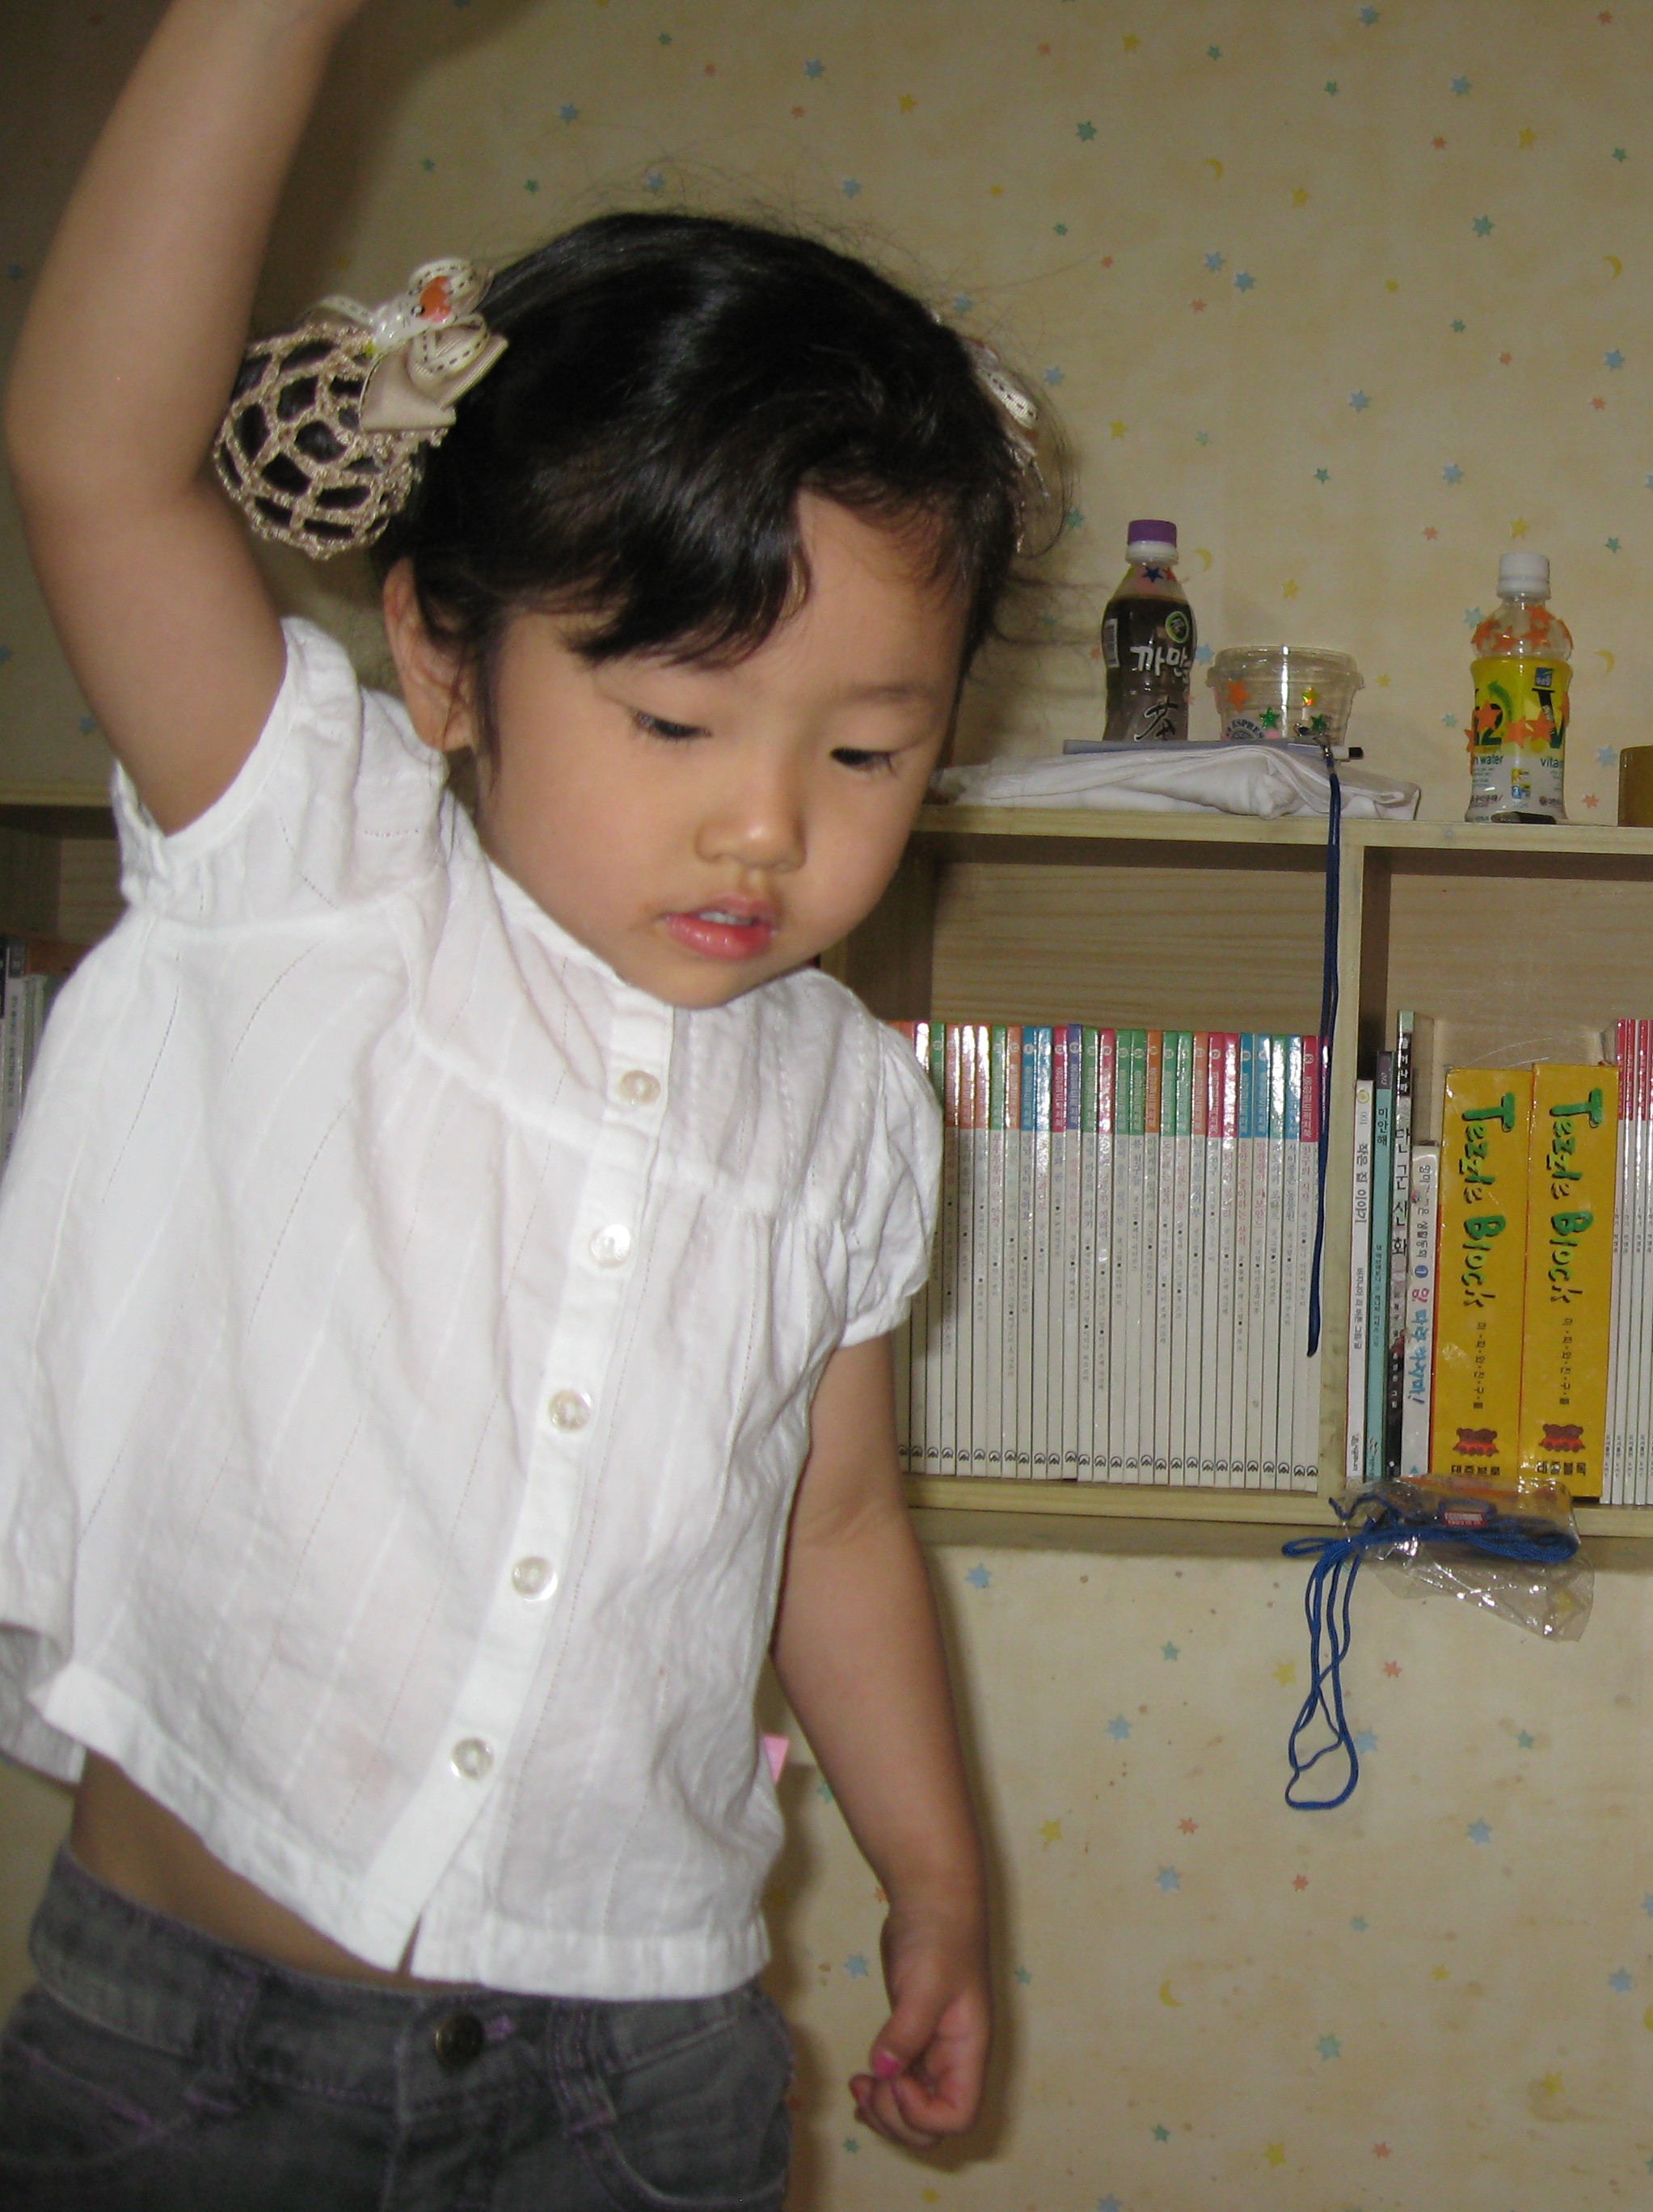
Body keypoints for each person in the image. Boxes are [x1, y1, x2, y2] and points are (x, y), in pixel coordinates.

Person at [0, 0, 1046, 2198]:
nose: (770, 825)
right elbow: (96, 456)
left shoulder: (854, 1112)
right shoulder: (314, 870)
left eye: (868, 752)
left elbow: (834, 1522)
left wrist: (939, 1874)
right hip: (192, 2060)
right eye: (676, 724)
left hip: (641, 2067)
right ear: (442, 658)